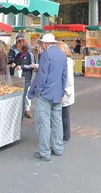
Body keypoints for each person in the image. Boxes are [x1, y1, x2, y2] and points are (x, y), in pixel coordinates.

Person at [27, 33, 68, 161]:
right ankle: (58, 148)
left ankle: (44, 152)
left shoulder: (46, 54)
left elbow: (42, 75)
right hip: (57, 92)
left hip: (45, 93)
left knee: (43, 122)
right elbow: (64, 76)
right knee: (57, 121)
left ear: (44, 43)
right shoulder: (62, 55)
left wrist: (38, 90)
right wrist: (61, 92)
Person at [57, 42, 75, 143]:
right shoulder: (66, 61)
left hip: (65, 92)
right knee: (64, 113)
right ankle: (64, 134)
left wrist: (64, 92)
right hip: (65, 91)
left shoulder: (67, 62)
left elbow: (68, 80)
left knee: (64, 113)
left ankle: (65, 135)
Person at [16, 42, 36, 118]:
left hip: (27, 77)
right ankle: (21, 110)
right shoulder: (18, 55)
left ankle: (26, 110)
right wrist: (14, 64)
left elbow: (32, 65)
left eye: (19, 47)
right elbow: (15, 62)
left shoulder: (29, 54)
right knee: (21, 94)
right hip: (19, 76)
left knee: (26, 94)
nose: (18, 48)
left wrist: (23, 66)